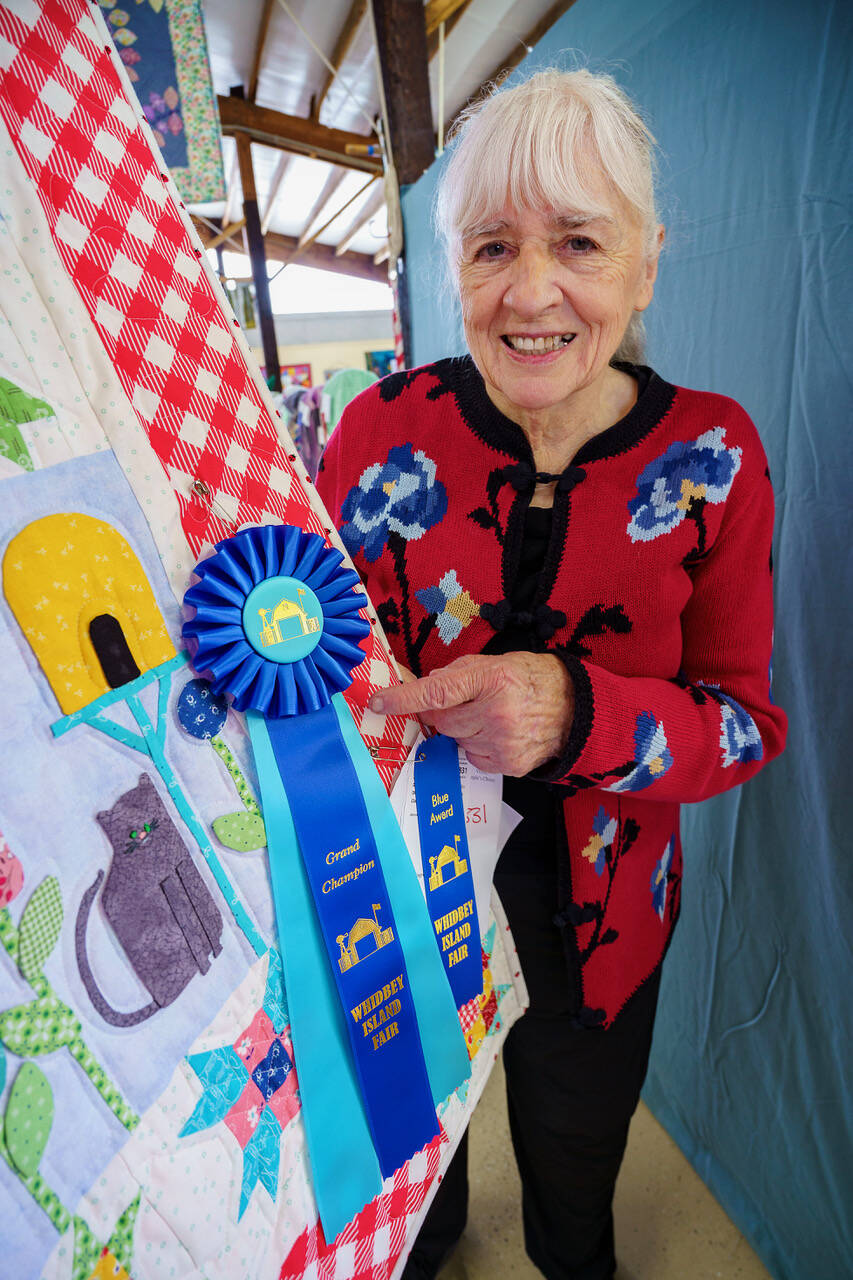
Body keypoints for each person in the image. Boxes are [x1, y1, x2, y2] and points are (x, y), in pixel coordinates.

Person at [316, 68, 787, 1280]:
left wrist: (576, 710)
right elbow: (314, 662)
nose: (532, 292)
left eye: (579, 242)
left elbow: (742, 722)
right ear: (452, 269)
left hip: (606, 915)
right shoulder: (377, 431)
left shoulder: (714, 455)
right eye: (491, 248)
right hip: (391, 899)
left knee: (573, 1171)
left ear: (645, 261)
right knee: (407, 1171)